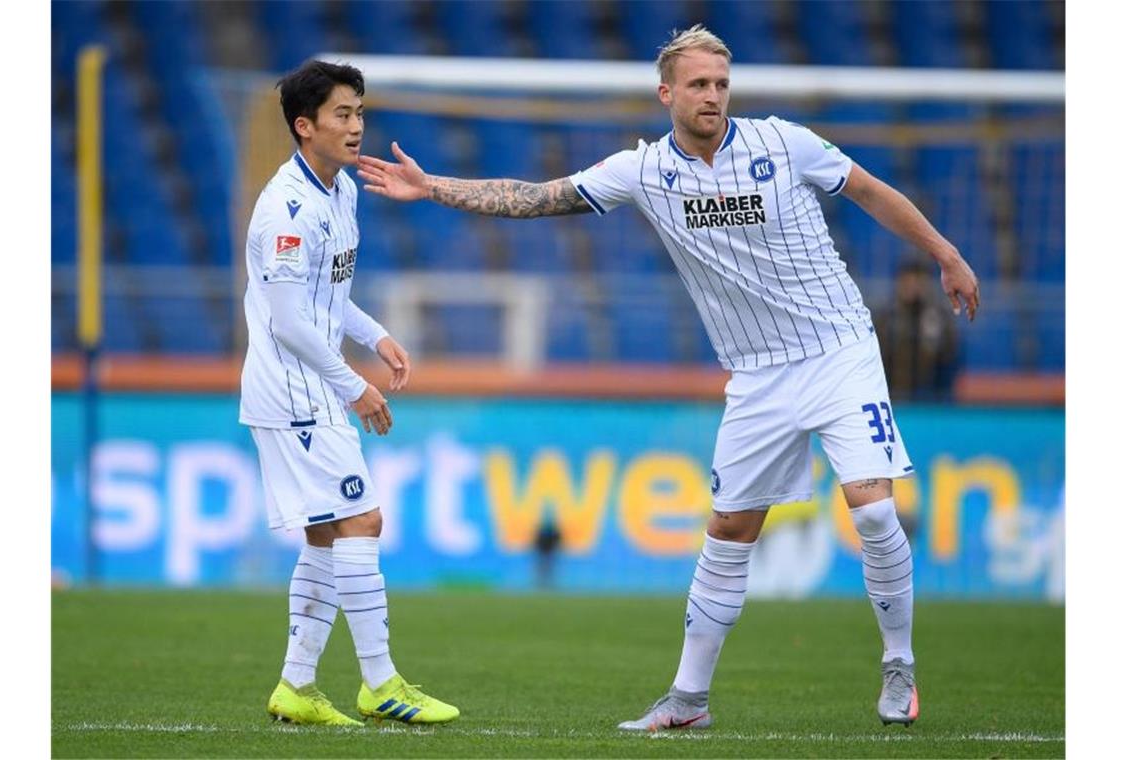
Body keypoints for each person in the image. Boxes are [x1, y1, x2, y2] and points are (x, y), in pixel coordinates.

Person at [358, 25, 979, 731]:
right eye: (698, 85)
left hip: (839, 350)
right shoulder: (644, 171)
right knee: (729, 532)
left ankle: (898, 667)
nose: (713, 96)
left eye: (721, 84)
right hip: (756, 375)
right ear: (667, 93)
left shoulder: (785, 143)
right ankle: (687, 700)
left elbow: (869, 190)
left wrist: (945, 251)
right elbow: (536, 196)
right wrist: (432, 186)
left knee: (872, 510)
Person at [240, 59, 458, 726]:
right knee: (363, 522)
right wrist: (353, 383)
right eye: (342, 114)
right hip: (295, 391)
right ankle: (380, 683)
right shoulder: (286, 208)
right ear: (305, 127)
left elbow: (326, 298)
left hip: (312, 384)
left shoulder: (342, 191)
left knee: (327, 535)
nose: (356, 125)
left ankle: (296, 688)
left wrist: (376, 335)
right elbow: (287, 319)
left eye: (359, 112)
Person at [875, 257, 960, 400]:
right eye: (908, 281)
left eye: (918, 282)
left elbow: (949, 353)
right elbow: (879, 355)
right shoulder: (886, 316)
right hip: (892, 394)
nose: (913, 287)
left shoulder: (938, 316)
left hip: (931, 395)